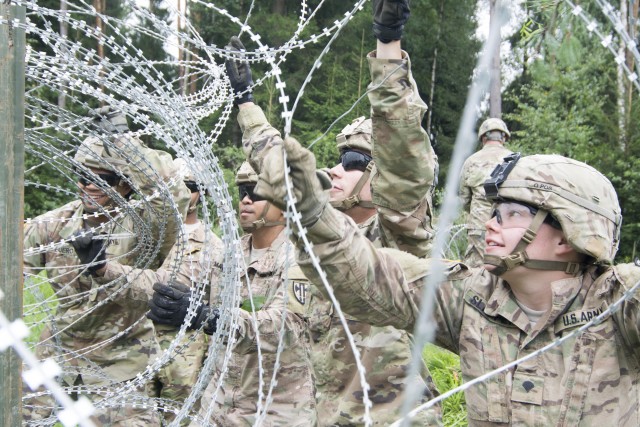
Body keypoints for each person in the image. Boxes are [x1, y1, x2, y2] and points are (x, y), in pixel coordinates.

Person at [253, 136, 639, 426]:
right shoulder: (471, 300)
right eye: (494, 211)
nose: (490, 224)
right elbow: (367, 276)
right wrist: (311, 209)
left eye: (512, 213)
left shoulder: (619, 304)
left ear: (567, 233)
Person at [238, 0, 441, 422]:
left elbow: (402, 153)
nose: (336, 169)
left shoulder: (396, 240)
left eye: (352, 163)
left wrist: (388, 46)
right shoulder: (316, 244)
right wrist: (247, 105)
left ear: (379, 176)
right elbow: (282, 170)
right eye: (338, 160)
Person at [23, 109, 190, 425]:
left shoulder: (144, 229)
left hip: (121, 357)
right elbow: (14, 265)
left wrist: (125, 144)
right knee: (13, 410)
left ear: (126, 185)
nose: (88, 186)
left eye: (103, 179)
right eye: (82, 176)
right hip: (59, 349)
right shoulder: (57, 225)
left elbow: (170, 197)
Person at [148, 161, 317, 426]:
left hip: (274, 410)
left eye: (257, 192)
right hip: (218, 405)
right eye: (242, 193)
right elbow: (170, 285)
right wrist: (103, 270)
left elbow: (287, 326)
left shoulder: (302, 258)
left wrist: (211, 318)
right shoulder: (228, 254)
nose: (246, 200)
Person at [80, 157, 223, 423]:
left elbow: (213, 308)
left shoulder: (212, 246)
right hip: (131, 352)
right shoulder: (139, 231)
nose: (182, 193)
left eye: (189, 186)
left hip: (181, 364)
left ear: (200, 194)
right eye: (177, 185)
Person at [459, 117, 513, 267]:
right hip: (507, 224)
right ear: (504, 137)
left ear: (483, 137)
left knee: (477, 271)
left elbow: (464, 199)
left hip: (479, 225)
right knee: (505, 268)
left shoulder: (471, 161)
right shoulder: (513, 160)